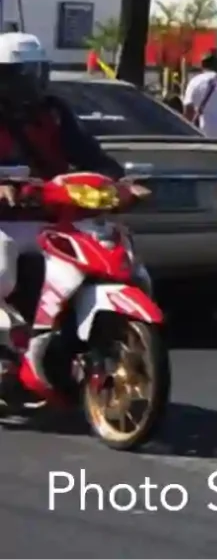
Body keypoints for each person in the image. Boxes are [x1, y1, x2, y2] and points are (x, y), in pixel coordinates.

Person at [0, 31, 130, 404]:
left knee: (103, 256)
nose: (32, 84)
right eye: (21, 75)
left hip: (54, 215)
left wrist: (119, 180)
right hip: (5, 221)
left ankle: (64, 341)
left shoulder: (54, 113)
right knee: (3, 269)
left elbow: (88, 153)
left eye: (37, 73)